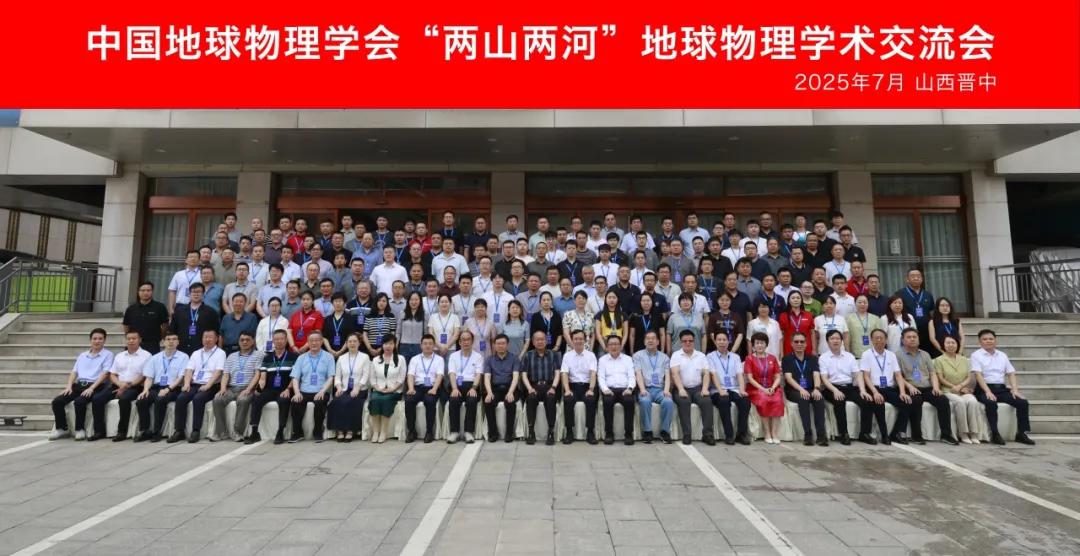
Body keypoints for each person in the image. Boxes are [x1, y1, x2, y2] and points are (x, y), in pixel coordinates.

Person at [971, 329, 1035, 445]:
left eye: (991, 339)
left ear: (996, 341)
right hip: (984, 389)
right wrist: (988, 391)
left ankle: (1021, 433)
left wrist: (1015, 390)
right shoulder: (976, 355)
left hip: (1001, 389)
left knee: (1022, 402)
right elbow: (978, 375)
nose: (988, 341)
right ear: (980, 342)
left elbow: (1011, 373)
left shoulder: (1002, 355)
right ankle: (995, 434)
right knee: (990, 403)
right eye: (985, 339)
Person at [896, 328, 958, 445]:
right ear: (903, 340)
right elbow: (898, 375)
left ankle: (946, 435)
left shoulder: (925, 354)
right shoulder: (898, 355)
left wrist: (936, 388)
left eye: (914, 337)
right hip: (911, 387)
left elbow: (932, 373)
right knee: (916, 400)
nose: (912, 339)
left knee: (943, 400)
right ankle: (916, 435)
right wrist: (909, 387)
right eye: (909, 337)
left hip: (927, 387)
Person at [86, 331, 150, 442]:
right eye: (128, 339)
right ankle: (99, 431)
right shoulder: (120, 356)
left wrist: (127, 386)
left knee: (124, 400)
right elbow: (112, 374)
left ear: (140, 340)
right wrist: (120, 384)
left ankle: (122, 432)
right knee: (97, 399)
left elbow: (144, 375)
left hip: (135, 386)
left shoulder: (146, 355)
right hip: (117, 385)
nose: (131, 341)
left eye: (134, 338)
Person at [170, 329, 226, 444]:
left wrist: (208, 385)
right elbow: (189, 370)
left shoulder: (220, 353)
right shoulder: (196, 353)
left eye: (210, 337)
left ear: (216, 339)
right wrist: (186, 384)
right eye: (205, 337)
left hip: (211, 385)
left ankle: (196, 431)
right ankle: (179, 430)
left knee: (198, 399)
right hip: (194, 384)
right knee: (181, 398)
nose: (207, 339)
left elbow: (218, 372)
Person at [818, 329, 872, 445]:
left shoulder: (849, 356)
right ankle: (844, 434)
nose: (835, 341)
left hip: (849, 387)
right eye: (832, 338)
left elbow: (858, 375)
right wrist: (835, 390)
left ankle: (864, 434)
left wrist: (863, 390)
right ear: (827, 342)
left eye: (838, 338)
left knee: (866, 401)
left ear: (842, 341)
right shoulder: (823, 358)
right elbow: (824, 379)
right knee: (839, 401)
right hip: (831, 388)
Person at [133, 332, 189, 442]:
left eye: (174, 339)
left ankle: (157, 432)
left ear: (178, 342)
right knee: (141, 400)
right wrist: (145, 390)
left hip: (173, 388)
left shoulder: (183, 357)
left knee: (160, 400)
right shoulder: (155, 357)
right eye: (168, 339)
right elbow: (149, 377)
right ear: (163, 342)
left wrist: (168, 389)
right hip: (156, 387)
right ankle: (145, 431)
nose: (171, 341)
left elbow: (180, 378)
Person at [211, 331, 264, 442]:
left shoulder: (259, 355)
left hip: (248, 388)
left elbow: (257, 374)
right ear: (238, 342)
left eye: (247, 340)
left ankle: (237, 431)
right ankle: (221, 432)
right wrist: (223, 388)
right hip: (231, 388)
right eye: (242, 340)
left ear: (253, 341)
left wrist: (249, 389)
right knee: (217, 399)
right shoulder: (231, 356)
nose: (244, 342)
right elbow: (226, 375)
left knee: (243, 400)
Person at [859, 329, 909, 445]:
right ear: (871, 340)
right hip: (874, 388)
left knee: (906, 403)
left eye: (881, 338)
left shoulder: (891, 355)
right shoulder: (867, 354)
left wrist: (902, 392)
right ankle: (884, 435)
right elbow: (866, 376)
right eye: (876, 338)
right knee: (879, 403)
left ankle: (896, 433)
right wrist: (875, 392)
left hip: (889, 388)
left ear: (886, 340)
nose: (879, 340)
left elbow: (898, 375)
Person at [285, 331, 335, 443]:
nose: (314, 343)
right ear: (308, 342)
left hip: (321, 390)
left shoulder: (329, 357)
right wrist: (297, 393)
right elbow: (295, 378)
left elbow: (331, 377)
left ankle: (318, 432)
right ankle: (297, 433)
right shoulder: (301, 358)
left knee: (319, 402)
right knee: (295, 402)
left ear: (321, 342)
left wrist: (322, 391)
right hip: (304, 391)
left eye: (317, 340)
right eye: (311, 341)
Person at [933, 336, 983, 444]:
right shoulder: (938, 360)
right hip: (948, 390)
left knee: (972, 401)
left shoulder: (965, 360)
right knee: (960, 402)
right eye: (948, 343)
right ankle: (963, 433)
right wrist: (953, 387)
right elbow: (940, 378)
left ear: (957, 345)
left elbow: (968, 377)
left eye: (953, 342)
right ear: (943, 345)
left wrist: (960, 386)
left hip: (963, 389)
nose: (951, 345)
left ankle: (974, 433)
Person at [670, 330, 716, 445]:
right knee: (684, 402)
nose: (688, 343)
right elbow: (675, 374)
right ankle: (687, 435)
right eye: (685, 341)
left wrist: (705, 388)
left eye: (690, 341)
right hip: (681, 388)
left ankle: (708, 435)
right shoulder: (676, 355)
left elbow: (706, 373)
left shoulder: (701, 355)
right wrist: (681, 389)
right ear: (680, 342)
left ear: (694, 341)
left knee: (707, 401)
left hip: (697, 388)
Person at [707, 330, 752, 445]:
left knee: (745, 401)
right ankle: (729, 435)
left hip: (733, 389)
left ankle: (741, 434)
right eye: (719, 340)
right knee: (724, 400)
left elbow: (739, 374)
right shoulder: (710, 357)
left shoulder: (735, 357)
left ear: (729, 341)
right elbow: (713, 374)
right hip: (717, 390)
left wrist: (742, 389)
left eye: (724, 340)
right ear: (715, 342)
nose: (722, 342)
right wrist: (720, 390)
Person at [781, 332, 828, 446]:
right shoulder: (787, 359)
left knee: (819, 398)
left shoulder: (812, 358)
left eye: (802, 342)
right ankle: (808, 435)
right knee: (804, 398)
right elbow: (788, 378)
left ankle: (821, 435)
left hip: (811, 388)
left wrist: (817, 389)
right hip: (794, 390)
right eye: (796, 342)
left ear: (806, 344)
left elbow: (816, 375)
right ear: (792, 344)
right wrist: (801, 390)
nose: (799, 344)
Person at [328, 333, 370, 442]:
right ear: (346, 344)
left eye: (355, 341)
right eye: (350, 341)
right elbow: (337, 376)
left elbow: (365, 375)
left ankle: (351, 430)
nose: (352, 344)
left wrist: (357, 388)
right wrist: (338, 387)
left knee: (351, 401)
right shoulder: (341, 358)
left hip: (359, 389)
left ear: (359, 343)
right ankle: (340, 430)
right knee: (336, 402)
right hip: (344, 388)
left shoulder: (364, 357)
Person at [743, 332, 785, 444]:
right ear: (753, 345)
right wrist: (763, 389)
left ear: (766, 344)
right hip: (755, 389)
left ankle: (774, 433)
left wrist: (773, 387)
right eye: (757, 343)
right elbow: (750, 378)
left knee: (778, 400)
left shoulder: (772, 358)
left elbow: (777, 376)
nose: (760, 345)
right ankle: (767, 432)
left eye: (762, 343)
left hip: (772, 388)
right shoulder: (749, 359)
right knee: (764, 399)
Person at [597, 334, 637, 445]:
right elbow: (601, 377)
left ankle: (628, 434)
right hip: (609, 390)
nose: (614, 347)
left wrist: (630, 388)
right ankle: (609, 433)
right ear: (607, 346)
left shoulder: (628, 359)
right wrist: (605, 389)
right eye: (611, 344)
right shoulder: (602, 360)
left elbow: (632, 376)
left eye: (616, 344)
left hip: (625, 389)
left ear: (620, 346)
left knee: (629, 401)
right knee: (607, 401)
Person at [561, 329, 599, 444]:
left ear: (585, 340)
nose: (578, 341)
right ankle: (569, 432)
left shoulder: (591, 355)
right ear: (572, 340)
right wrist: (567, 389)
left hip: (587, 386)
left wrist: (591, 389)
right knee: (568, 399)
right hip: (572, 386)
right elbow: (564, 374)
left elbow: (593, 373)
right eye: (576, 339)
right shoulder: (567, 356)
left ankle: (590, 432)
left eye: (581, 339)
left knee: (591, 400)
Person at [446, 330, 484, 444]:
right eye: (463, 340)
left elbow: (478, 374)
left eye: (468, 339)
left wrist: (474, 388)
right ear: (459, 342)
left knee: (472, 400)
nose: (466, 342)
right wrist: (454, 388)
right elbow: (452, 373)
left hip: (471, 385)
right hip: (456, 385)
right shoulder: (453, 356)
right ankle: (454, 432)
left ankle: (469, 432)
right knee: (454, 399)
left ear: (472, 341)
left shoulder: (478, 356)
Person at [405, 334, 445, 443]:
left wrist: (435, 389)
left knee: (430, 401)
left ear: (434, 346)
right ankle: (412, 431)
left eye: (430, 344)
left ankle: (429, 432)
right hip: (417, 387)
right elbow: (410, 375)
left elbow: (440, 376)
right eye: (425, 343)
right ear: (421, 345)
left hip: (432, 387)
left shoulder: (439, 359)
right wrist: (411, 388)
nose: (428, 346)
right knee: (409, 400)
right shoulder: (414, 359)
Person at [368, 334, 407, 443]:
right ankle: (376, 432)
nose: (388, 346)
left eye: (391, 343)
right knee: (375, 399)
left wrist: (392, 389)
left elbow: (401, 378)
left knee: (385, 400)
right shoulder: (376, 360)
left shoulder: (401, 359)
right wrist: (378, 388)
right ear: (382, 345)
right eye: (385, 344)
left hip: (394, 391)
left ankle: (384, 432)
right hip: (378, 389)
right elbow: (372, 379)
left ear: (395, 345)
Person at [483, 334, 520, 443]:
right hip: (495, 389)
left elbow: (515, 377)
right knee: (488, 402)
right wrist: (489, 392)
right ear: (494, 345)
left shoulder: (514, 358)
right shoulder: (489, 360)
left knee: (510, 402)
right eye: (498, 344)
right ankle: (493, 433)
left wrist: (510, 392)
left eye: (503, 343)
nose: (500, 346)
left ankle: (509, 433)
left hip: (510, 388)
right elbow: (487, 377)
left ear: (507, 345)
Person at [171, 282, 219, 354]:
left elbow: (215, 332)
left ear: (203, 294)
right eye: (193, 292)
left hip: (202, 349)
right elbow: (172, 330)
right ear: (189, 294)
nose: (196, 294)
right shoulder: (179, 311)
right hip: (181, 349)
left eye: (199, 292)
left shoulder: (211, 312)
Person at [123, 281, 169, 354]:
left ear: (152, 292)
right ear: (138, 292)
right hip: (134, 342)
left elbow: (165, 324)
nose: (145, 292)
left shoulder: (160, 307)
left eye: (148, 290)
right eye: (143, 290)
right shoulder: (131, 309)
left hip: (152, 343)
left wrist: (161, 336)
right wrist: (130, 337)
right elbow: (126, 325)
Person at [896, 268, 936, 352]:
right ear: (907, 279)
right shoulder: (900, 294)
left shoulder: (927, 294)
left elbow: (932, 312)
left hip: (927, 332)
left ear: (922, 279)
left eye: (918, 276)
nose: (916, 278)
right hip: (908, 332)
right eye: (913, 276)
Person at [846, 294, 884, 360]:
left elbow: (880, 336)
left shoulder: (875, 318)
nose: (862, 304)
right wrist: (848, 353)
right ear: (855, 303)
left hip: (873, 354)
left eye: (865, 302)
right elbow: (847, 337)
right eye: (859, 302)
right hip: (856, 354)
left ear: (868, 304)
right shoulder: (849, 318)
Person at [708, 292, 746, 357]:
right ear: (717, 301)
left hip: (734, 351)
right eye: (722, 300)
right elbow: (712, 335)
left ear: (731, 301)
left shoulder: (737, 316)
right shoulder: (713, 317)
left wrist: (733, 351)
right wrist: (721, 348)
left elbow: (740, 334)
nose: (724, 303)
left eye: (727, 300)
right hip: (718, 351)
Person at [778, 291, 815, 356]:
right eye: (793, 298)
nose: (796, 300)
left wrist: (814, 349)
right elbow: (781, 336)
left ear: (801, 300)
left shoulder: (808, 315)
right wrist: (781, 353)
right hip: (789, 349)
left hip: (806, 349)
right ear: (789, 301)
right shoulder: (783, 316)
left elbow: (812, 333)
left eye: (798, 298)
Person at [167, 250, 202, 317]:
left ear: (199, 260)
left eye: (195, 257)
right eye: (190, 257)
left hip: (197, 305)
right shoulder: (178, 274)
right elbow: (172, 291)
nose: (193, 259)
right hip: (180, 306)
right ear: (186, 260)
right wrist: (171, 308)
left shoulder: (202, 274)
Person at [397, 292, 426, 361]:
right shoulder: (402, 313)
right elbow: (398, 332)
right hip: (404, 346)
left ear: (420, 301)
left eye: (416, 299)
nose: (414, 302)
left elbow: (426, 332)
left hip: (418, 346)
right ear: (408, 301)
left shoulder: (424, 314)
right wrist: (396, 345)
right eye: (411, 299)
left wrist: (425, 345)